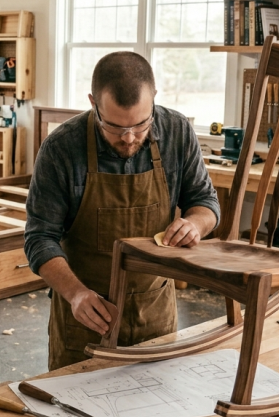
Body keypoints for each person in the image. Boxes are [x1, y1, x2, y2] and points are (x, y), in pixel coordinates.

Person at [24, 51, 220, 370]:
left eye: (141, 125)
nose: (129, 138)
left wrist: (196, 224)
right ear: (93, 103)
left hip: (155, 311)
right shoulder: (61, 148)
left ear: (154, 99)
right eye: (114, 127)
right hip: (86, 315)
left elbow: (205, 201)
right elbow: (39, 239)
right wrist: (75, 294)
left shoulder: (178, 132)